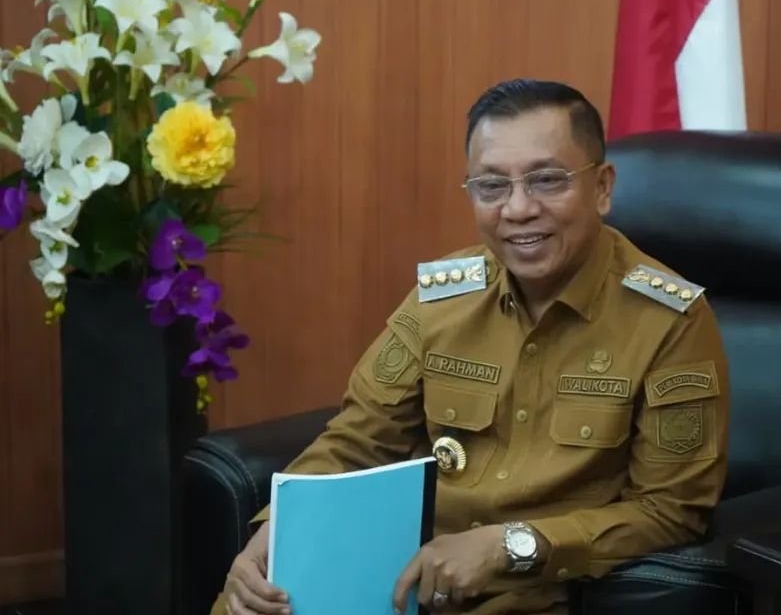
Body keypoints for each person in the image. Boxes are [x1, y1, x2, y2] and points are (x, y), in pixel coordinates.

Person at [212, 79, 730, 615]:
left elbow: (672, 511)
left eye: (547, 180)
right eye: (491, 186)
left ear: (602, 187)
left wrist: (512, 547)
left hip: (535, 596)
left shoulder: (668, 321)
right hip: (394, 581)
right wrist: (279, 530)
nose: (518, 209)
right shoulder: (444, 299)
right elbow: (357, 441)